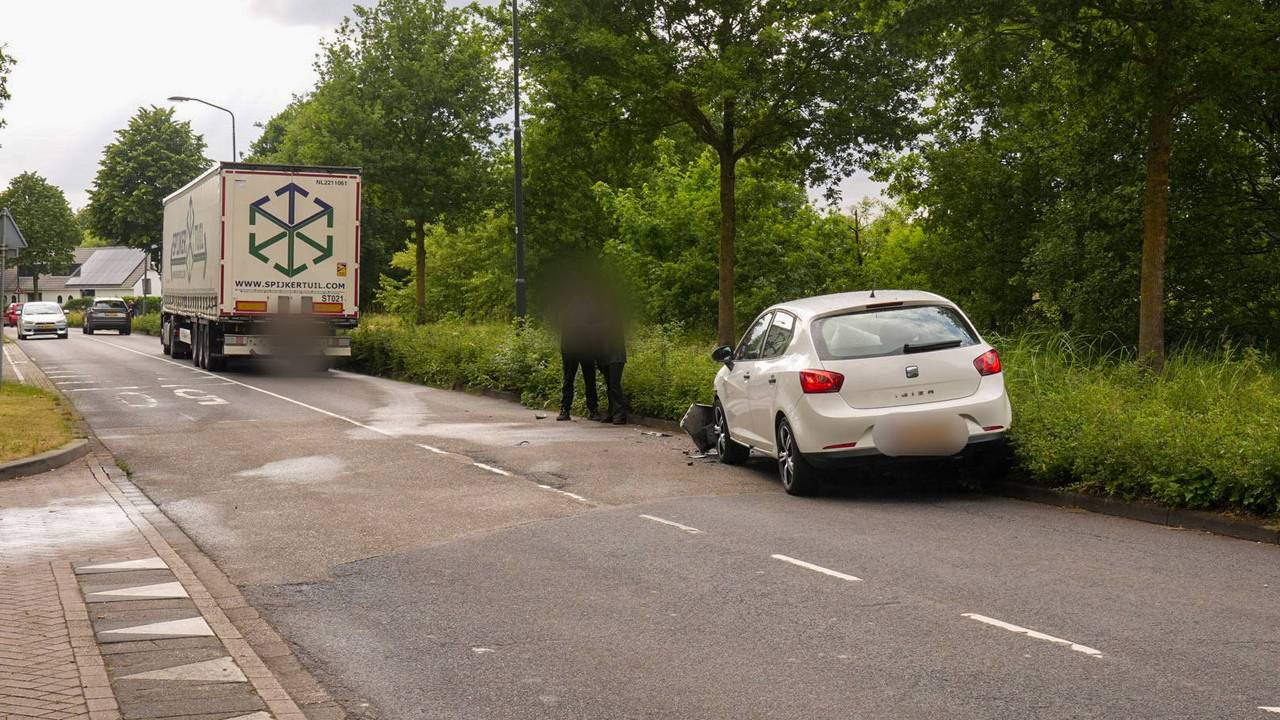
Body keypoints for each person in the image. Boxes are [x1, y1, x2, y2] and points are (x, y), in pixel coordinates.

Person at [553, 282, 606, 422]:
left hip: (583, 347)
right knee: (574, 379)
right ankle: (573, 409)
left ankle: (584, 410)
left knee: (582, 379)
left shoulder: (587, 304)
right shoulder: (569, 304)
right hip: (573, 347)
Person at [596, 298, 627, 425]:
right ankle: (612, 411)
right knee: (609, 385)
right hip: (605, 356)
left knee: (614, 384)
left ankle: (619, 413)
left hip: (616, 356)